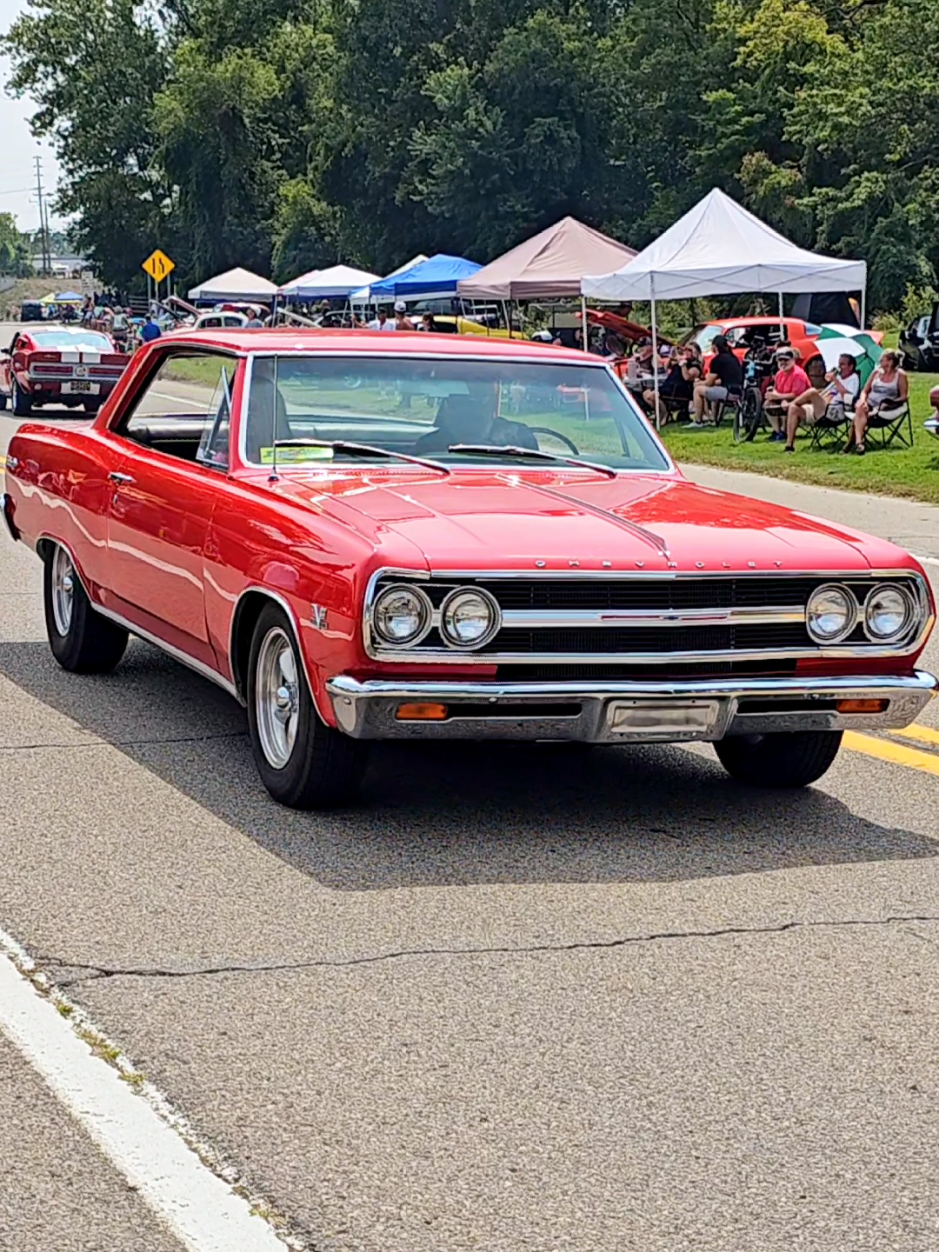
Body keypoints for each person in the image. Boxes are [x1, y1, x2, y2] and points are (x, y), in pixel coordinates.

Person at [414, 379, 538, 452]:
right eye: (459, 402)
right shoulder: (429, 446)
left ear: (493, 403)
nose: (468, 411)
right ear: (446, 407)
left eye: (479, 401)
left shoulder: (518, 438)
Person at [783, 353, 859, 451]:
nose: (839, 367)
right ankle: (789, 445)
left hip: (834, 411)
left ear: (851, 366)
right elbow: (827, 392)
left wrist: (835, 380)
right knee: (794, 409)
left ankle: (791, 403)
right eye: (839, 364)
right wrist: (828, 382)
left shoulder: (853, 378)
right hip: (821, 408)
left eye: (842, 364)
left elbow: (849, 397)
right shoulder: (839, 377)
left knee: (812, 392)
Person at [847, 350, 908, 455]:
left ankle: (851, 445)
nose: (880, 361)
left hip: (885, 406)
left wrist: (890, 403)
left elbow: (904, 396)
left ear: (890, 362)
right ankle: (859, 443)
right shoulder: (876, 372)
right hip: (869, 404)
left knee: (859, 414)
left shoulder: (900, 375)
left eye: (882, 360)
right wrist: (863, 401)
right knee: (861, 409)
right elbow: (865, 391)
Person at [690, 334, 743, 426]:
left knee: (698, 390)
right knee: (715, 388)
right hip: (739, 391)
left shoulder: (717, 360)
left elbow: (708, 383)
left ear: (715, 347)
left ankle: (698, 421)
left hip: (729, 392)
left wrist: (698, 383)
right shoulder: (733, 358)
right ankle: (713, 418)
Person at [762, 346, 810, 441]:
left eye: (786, 360)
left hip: (801, 402)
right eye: (780, 360)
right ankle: (777, 431)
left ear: (793, 360)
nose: (783, 363)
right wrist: (772, 393)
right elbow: (777, 389)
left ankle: (785, 431)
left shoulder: (798, 374)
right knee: (767, 404)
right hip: (783, 399)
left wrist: (779, 397)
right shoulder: (779, 374)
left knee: (786, 405)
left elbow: (797, 395)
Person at [645, 344, 701, 424]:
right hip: (669, 386)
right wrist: (671, 357)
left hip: (679, 390)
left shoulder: (695, 366)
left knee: (652, 396)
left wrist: (682, 364)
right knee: (646, 394)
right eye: (686, 350)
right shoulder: (680, 363)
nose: (687, 352)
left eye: (690, 350)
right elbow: (666, 368)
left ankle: (665, 415)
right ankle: (664, 413)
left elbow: (687, 377)